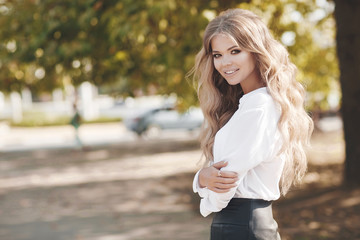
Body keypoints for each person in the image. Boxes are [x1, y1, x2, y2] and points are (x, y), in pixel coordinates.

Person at [190, 9, 314, 240]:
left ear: (256, 52)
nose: (225, 62)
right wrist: (202, 178)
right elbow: (217, 174)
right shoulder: (249, 105)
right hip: (242, 225)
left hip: (240, 225)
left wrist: (207, 195)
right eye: (217, 55)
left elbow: (225, 180)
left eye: (235, 51)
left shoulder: (259, 107)